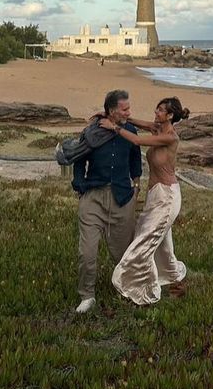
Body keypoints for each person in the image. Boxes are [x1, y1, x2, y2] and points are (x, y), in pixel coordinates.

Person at [99, 95, 190, 305]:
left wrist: (114, 128)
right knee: (163, 244)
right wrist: (112, 117)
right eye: (156, 109)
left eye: (160, 110)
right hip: (155, 195)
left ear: (169, 115)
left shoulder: (170, 137)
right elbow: (136, 122)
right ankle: (176, 280)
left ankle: (141, 289)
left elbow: (138, 140)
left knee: (144, 240)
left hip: (167, 198)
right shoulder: (158, 128)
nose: (156, 112)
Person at [72, 89, 142, 314]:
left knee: (124, 254)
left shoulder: (130, 131)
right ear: (112, 111)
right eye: (125, 109)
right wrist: (79, 185)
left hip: (122, 198)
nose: (129, 112)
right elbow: (78, 159)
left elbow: (135, 161)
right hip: (93, 197)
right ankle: (87, 296)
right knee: (87, 252)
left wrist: (137, 186)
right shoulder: (92, 132)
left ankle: (127, 289)